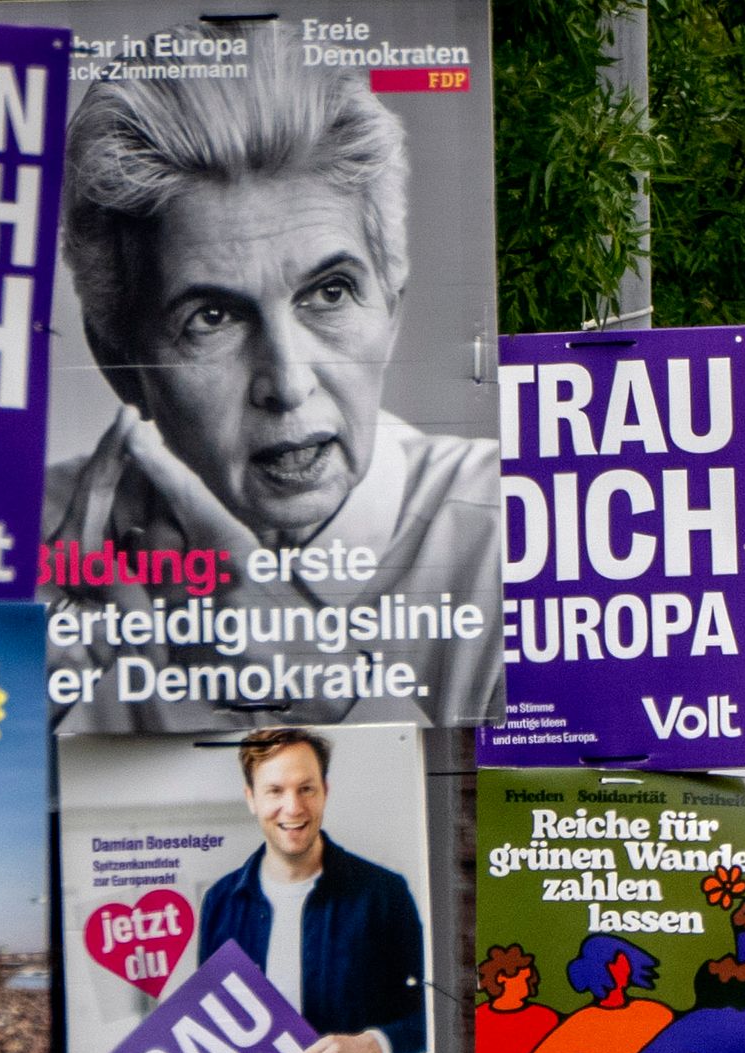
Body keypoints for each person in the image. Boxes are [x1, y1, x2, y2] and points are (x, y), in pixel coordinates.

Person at [45, 50, 496, 731]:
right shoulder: (20, 557)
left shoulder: (518, 538)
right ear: (118, 361)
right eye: (212, 318)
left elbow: (547, 824)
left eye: (330, 292)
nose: (287, 383)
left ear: (392, 310)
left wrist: (321, 683)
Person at [193, 727, 426, 1053]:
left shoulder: (383, 894)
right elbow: (209, 1023)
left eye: (306, 789)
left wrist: (372, 1046)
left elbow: (435, 1013)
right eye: (275, 791)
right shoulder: (220, 902)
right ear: (251, 798)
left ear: (325, 791)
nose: (293, 807)